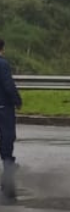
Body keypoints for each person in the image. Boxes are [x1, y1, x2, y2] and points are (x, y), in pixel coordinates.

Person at [0, 39, 21, 198]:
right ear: (2, 49)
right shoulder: (3, 64)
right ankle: (8, 171)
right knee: (7, 139)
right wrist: (17, 100)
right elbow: (8, 85)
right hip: (3, 108)